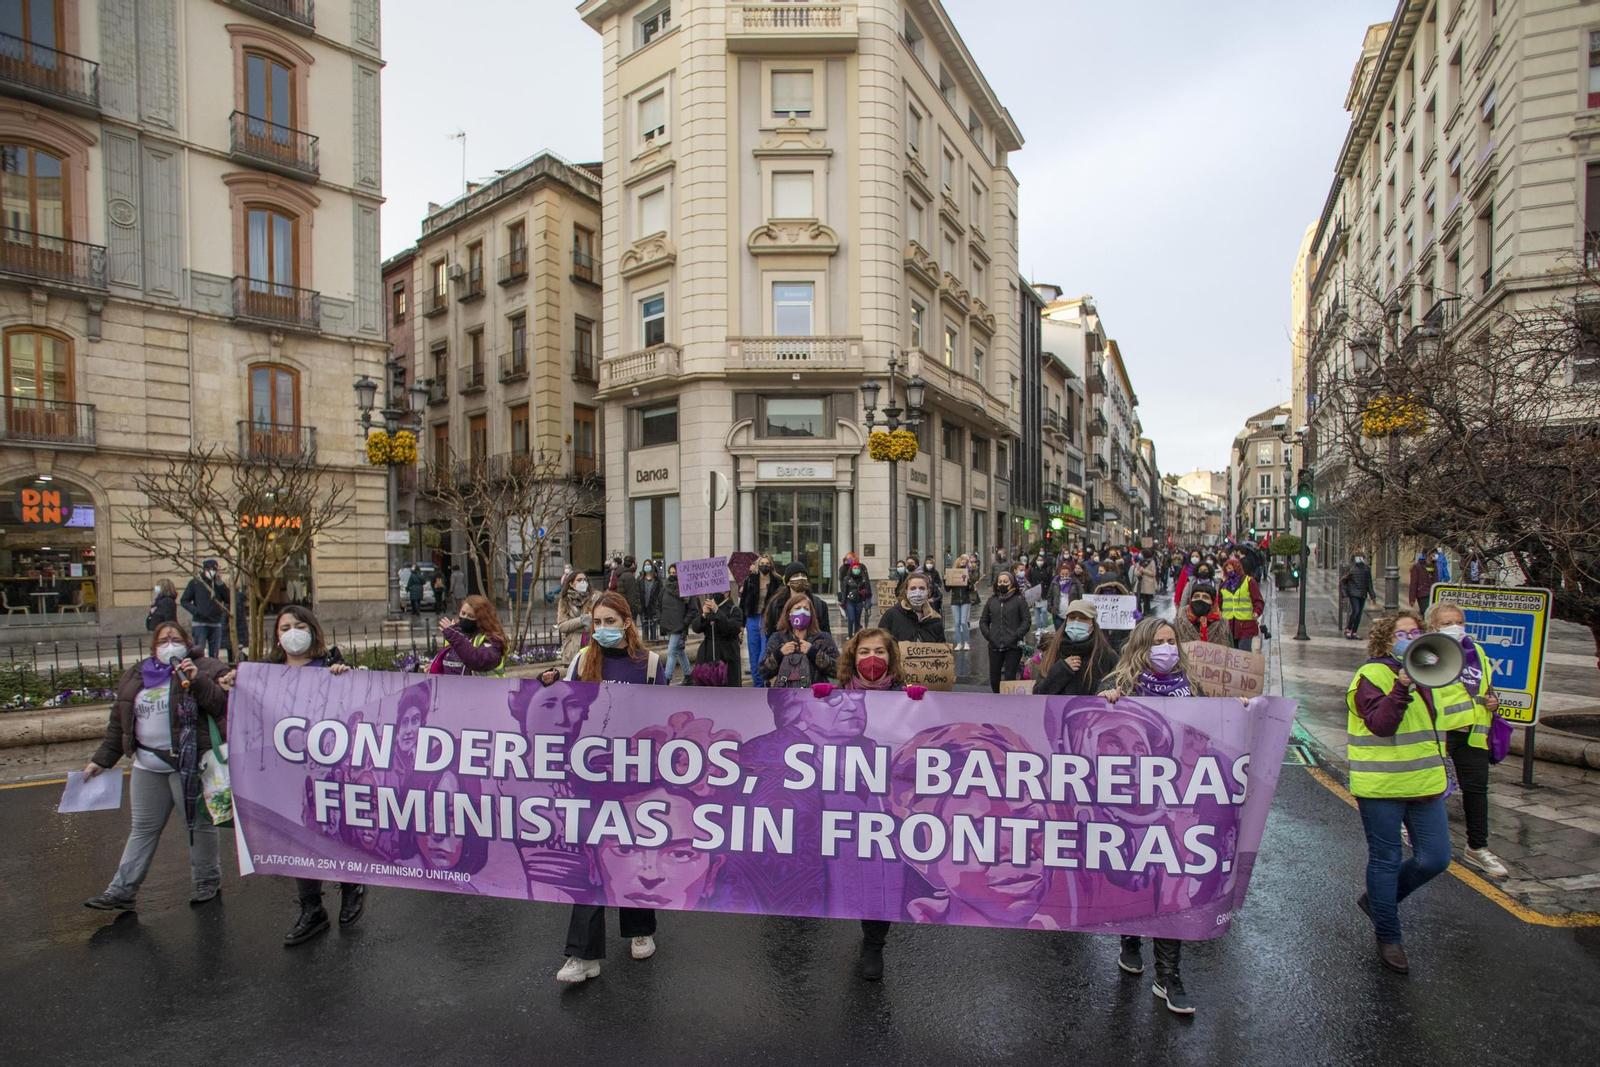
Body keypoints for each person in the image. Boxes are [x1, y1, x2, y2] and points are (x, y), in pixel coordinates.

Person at [1098, 616, 1242, 1014]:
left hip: (1178, 801)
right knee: (1134, 875)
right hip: (1131, 804)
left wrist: (1238, 711)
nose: (1167, 648)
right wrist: (1105, 701)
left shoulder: (1191, 686)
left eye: (1171, 641)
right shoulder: (1121, 685)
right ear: (1143, 646)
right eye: (1159, 642)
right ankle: (1130, 938)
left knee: (1171, 881)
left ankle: (1168, 975)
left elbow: (1212, 728)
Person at [532, 593, 665, 983]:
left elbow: (663, 718)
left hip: (635, 778)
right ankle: (582, 954)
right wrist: (549, 686)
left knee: (632, 850)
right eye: (597, 622)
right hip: (590, 776)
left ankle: (640, 928)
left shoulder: (650, 664)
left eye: (610, 621)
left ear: (627, 622)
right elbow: (568, 711)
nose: (603, 628)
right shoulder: (581, 661)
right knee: (590, 858)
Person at [233, 606, 361, 945]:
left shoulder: (330, 666)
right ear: (277, 636)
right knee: (298, 836)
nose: (293, 632)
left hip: (328, 768)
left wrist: (345, 677)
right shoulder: (265, 674)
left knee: (335, 831)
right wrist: (233, 683)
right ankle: (312, 909)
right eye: (285, 627)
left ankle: (352, 885)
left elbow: (356, 706)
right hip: (287, 771)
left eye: (300, 626)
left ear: (313, 630)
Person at [82, 622, 231, 912]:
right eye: (163, 640)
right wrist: (102, 760)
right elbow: (119, 723)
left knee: (196, 825)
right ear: (153, 646)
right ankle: (122, 890)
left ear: (187, 643)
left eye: (175, 639)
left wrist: (196, 678)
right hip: (147, 765)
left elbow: (219, 703)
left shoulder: (205, 666)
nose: (169, 644)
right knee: (142, 828)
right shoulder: (136, 674)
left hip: (187, 764)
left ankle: (206, 881)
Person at [1346, 613, 1454, 974]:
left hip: (1424, 784)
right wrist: (1401, 686)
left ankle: (1379, 902)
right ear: (1385, 641)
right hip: (1382, 785)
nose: (1411, 637)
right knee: (1386, 859)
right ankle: (1389, 935)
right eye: (1401, 633)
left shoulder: (1429, 675)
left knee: (1435, 858)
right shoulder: (1371, 675)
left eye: (1416, 631)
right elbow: (1381, 724)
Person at [831, 628, 926, 978]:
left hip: (886, 806)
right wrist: (816, 702)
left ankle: (874, 943)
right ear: (853, 658)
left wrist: (921, 706)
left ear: (891, 658)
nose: (872, 659)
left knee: (879, 868)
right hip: (841, 803)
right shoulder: (835, 699)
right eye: (864, 652)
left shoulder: (906, 699)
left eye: (880, 652)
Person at [1422, 602, 1508, 878]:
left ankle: (1477, 848)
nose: (1456, 627)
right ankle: (1417, 833)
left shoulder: (1477, 651)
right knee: (1427, 788)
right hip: (1440, 732)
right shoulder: (1425, 652)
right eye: (1447, 623)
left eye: (1459, 621)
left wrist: (1493, 700)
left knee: (1477, 792)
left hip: (1473, 732)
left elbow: (1484, 686)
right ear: (1432, 627)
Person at [1034, 600, 1119, 696]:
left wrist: (1106, 693)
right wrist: (1061, 670)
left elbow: (1119, 686)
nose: (1076, 622)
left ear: (1093, 624)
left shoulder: (1106, 655)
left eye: (1083, 618)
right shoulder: (1053, 652)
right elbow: (1038, 693)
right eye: (1072, 617)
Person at [757, 593, 839, 687]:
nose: (802, 612)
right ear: (789, 614)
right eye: (797, 608)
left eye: (806, 609)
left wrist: (815, 653)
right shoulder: (777, 638)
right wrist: (779, 654)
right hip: (785, 693)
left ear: (811, 615)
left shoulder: (823, 638)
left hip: (815, 693)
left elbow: (838, 670)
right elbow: (763, 672)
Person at [428, 594, 507, 676]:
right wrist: (438, 666)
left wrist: (454, 636)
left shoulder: (492, 639)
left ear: (482, 619)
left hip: (485, 684)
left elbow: (479, 661)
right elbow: (455, 663)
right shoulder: (455, 633)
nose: (465, 618)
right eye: (463, 613)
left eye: (471, 616)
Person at [979, 569, 1030, 692]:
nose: (1002, 584)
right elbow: (983, 621)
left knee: (1010, 677)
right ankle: (997, 697)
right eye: (1000, 581)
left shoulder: (1019, 599)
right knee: (994, 678)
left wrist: (1016, 635)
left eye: (1005, 581)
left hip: (1013, 646)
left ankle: (1008, 700)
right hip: (994, 645)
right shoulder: (992, 600)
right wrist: (989, 635)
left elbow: (1026, 620)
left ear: (1011, 583)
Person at [739, 555, 784, 688]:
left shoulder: (777, 581)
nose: (764, 566)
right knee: (753, 655)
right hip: (752, 619)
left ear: (771, 565)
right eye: (762, 563)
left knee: (764, 654)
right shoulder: (750, 580)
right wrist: (741, 625)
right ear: (758, 565)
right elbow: (743, 602)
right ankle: (757, 685)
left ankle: (765, 681)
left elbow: (781, 602)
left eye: (767, 563)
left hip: (767, 620)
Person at [690, 584, 744, 686]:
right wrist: (703, 615)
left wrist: (717, 612)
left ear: (727, 593)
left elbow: (732, 628)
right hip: (707, 653)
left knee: (728, 686)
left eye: (720, 590)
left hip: (727, 654)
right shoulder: (707, 608)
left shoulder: (735, 610)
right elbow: (695, 628)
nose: (716, 593)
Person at [180, 560, 230, 659]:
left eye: (214, 569)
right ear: (204, 570)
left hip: (215, 622)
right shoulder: (195, 583)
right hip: (200, 623)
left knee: (214, 653)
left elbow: (228, 599)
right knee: (198, 651)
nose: (212, 571)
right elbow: (184, 600)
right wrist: (196, 611)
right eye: (209, 569)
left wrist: (221, 585)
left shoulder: (218, 584)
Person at [878, 572, 946, 644]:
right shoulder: (891, 615)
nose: (917, 592)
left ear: (928, 592)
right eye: (913, 588)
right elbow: (880, 641)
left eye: (922, 588)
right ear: (906, 592)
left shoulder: (935, 619)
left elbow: (941, 646)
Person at [1218, 558, 1264, 651]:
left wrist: (1257, 612)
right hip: (1229, 624)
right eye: (1227, 569)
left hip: (1246, 624)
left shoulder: (1249, 581)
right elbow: (1219, 603)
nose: (1229, 571)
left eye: (1231, 568)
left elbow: (1258, 600)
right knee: (1232, 651)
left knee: (1244, 649)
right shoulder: (1223, 585)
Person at [556, 571, 599, 665]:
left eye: (585, 580)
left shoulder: (596, 598)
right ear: (571, 584)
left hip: (593, 643)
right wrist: (582, 620)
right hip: (574, 647)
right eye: (579, 580)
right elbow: (562, 626)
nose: (583, 582)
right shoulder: (565, 601)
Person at [660, 563, 692, 683]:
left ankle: (667, 677)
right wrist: (660, 618)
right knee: (679, 650)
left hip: (678, 626)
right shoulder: (665, 589)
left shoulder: (686, 589)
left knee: (671, 651)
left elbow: (693, 609)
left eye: (675, 573)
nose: (672, 575)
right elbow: (658, 603)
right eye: (671, 573)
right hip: (668, 623)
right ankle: (688, 675)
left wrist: (684, 623)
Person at [1341, 552, 1378, 640]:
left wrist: (1372, 596)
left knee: (1359, 614)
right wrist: (1345, 595)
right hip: (1353, 593)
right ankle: (1348, 629)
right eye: (1357, 556)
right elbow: (1343, 582)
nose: (1359, 558)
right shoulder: (1350, 567)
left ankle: (1354, 632)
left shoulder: (1366, 568)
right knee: (1356, 611)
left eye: (1361, 556)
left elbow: (1369, 583)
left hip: (1362, 594)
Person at [840, 557, 873, 637]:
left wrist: (865, 592)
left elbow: (867, 589)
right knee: (851, 619)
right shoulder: (847, 579)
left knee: (857, 620)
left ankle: (856, 635)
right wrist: (843, 602)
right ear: (851, 569)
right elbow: (844, 590)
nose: (856, 570)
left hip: (859, 601)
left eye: (857, 568)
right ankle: (850, 635)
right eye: (854, 568)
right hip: (849, 601)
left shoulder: (863, 579)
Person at [948, 555, 975, 650]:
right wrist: (946, 580)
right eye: (962, 563)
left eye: (965, 563)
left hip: (965, 600)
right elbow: (948, 589)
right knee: (956, 623)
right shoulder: (953, 574)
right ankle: (959, 643)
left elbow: (971, 589)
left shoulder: (967, 574)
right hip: (955, 600)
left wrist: (969, 581)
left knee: (964, 622)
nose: (964, 565)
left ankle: (966, 642)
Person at [638, 560, 662, 642]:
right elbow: (638, 592)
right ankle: (645, 643)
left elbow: (660, 593)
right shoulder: (640, 579)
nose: (647, 566)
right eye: (645, 565)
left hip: (653, 606)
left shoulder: (656, 580)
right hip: (643, 606)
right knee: (644, 626)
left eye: (648, 565)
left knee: (653, 627)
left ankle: (653, 641)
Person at [615, 555, 642, 620]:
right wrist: (636, 609)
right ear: (632, 564)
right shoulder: (629, 576)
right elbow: (631, 596)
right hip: (629, 610)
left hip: (623, 607)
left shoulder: (621, 574)